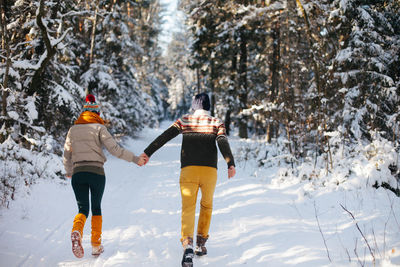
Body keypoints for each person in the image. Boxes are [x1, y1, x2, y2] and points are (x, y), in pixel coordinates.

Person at [140, 93, 236, 267]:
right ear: (208, 107)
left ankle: (188, 245)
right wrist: (230, 163)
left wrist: (148, 152)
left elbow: (165, 136)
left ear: (194, 106)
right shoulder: (216, 122)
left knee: (188, 208)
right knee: (206, 205)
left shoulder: (185, 120)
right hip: (209, 172)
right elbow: (223, 142)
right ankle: (200, 243)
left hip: (188, 171)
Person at [63, 94, 145, 258]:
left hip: (78, 173)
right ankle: (95, 245)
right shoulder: (99, 128)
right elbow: (115, 150)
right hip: (96, 173)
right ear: (96, 113)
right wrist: (136, 159)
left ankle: (77, 231)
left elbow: (66, 154)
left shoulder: (73, 129)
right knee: (96, 208)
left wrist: (70, 171)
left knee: (83, 209)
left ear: (83, 113)